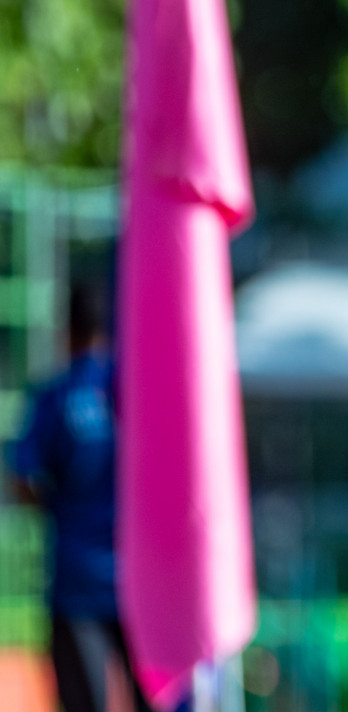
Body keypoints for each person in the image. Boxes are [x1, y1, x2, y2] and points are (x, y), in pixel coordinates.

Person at [6, 286, 152, 712]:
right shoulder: (134, 392)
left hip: (74, 583)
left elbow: (21, 478)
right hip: (142, 584)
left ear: (66, 332)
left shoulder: (54, 396)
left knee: (83, 702)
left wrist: (59, 506)